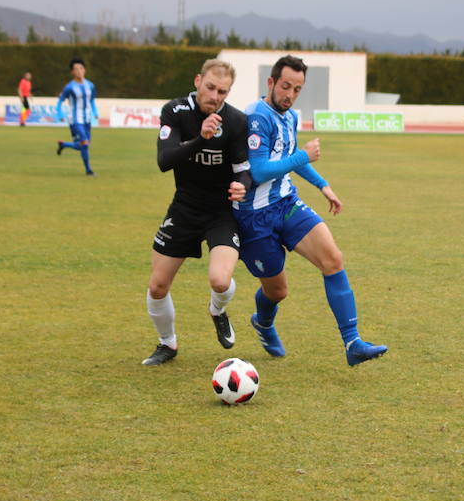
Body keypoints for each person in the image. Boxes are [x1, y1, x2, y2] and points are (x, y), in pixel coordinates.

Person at [233, 55, 387, 367]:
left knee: (333, 259)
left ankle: (353, 342)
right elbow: (260, 171)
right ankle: (263, 322)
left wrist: (323, 185)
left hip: (286, 204)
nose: (290, 94)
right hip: (253, 216)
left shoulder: (290, 117)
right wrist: (304, 154)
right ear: (271, 83)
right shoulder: (255, 117)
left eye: (297, 89)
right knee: (277, 291)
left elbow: (290, 158)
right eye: (286, 86)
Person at [142, 59, 252, 366]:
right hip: (185, 208)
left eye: (223, 92)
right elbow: (165, 160)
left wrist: (242, 186)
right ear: (197, 81)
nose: (216, 96)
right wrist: (199, 139)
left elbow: (244, 171)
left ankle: (217, 309)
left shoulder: (236, 121)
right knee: (157, 285)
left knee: (220, 280)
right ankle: (168, 344)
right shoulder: (175, 112)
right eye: (211, 88)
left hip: (221, 212)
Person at [56, 58, 98, 176]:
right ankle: (88, 170)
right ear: (72, 72)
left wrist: (95, 112)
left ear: (84, 70)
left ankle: (63, 145)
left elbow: (92, 100)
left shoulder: (90, 85)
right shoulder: (69, 87)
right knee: (84, 143)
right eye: (76, 69)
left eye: (81, 68)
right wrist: (59, 114)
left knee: (84, 145)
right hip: (75, 119)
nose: (79, 71)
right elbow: (60, 101)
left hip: (87, 118)